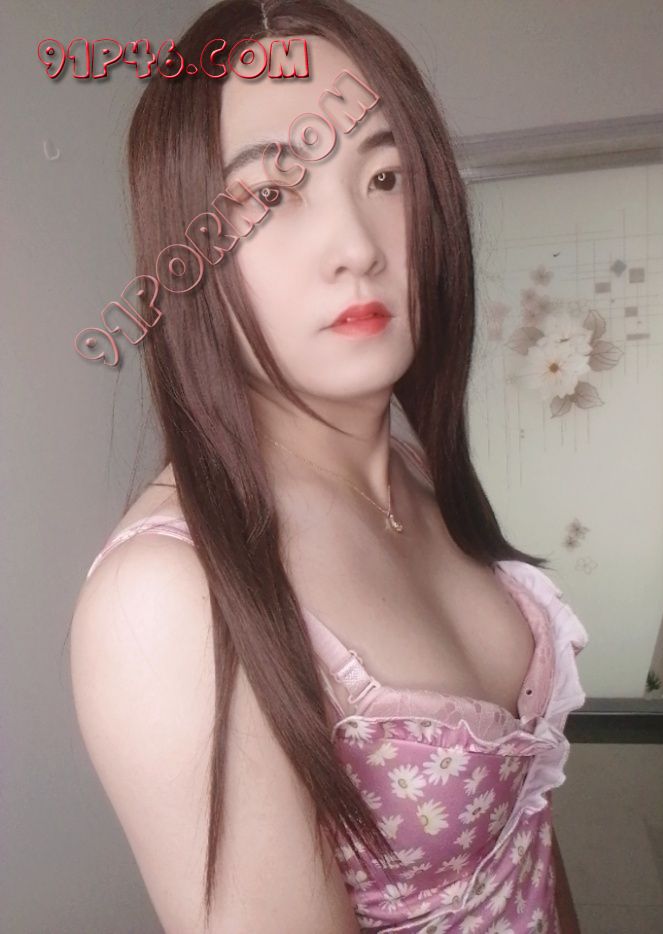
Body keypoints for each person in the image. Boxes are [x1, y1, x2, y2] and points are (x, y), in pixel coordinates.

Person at [69, 1, 589, 931]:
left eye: (385, 176)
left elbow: (529, 843)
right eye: (270, 196)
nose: (358, 247)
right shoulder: (167, 600)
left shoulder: (413, 474)